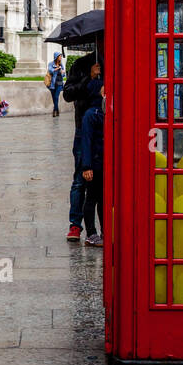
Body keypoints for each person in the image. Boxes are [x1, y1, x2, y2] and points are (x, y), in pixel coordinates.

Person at [64, 54, 102, 241]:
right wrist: (90, 77)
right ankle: (75, 225)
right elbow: (68, 94)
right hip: (84, 129)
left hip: (108, 130)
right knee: (80, 179)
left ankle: (104, 228)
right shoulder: (81, 64)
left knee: (102, 185)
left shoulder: (117, 59)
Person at [78, 82, 105, 247]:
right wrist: (86, 166)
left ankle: (104, 231)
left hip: (105, 163)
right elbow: (86, 142)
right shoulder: (90, 115)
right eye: (103, 89)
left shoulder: (105, 111)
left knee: (103, 199)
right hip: (93, 163)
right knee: (91, 199)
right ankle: (91, 233)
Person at [47, 53, 66, 117]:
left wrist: (62, 72)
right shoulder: (51, 64)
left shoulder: (61, 64)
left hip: (59, 83)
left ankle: (54, 110)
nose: (61, 57)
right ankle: (57, 110)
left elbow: (63, 75)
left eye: (61, 56)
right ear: (56, 57)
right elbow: (50, 70)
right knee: (54, 98)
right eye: (60, 56)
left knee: (56, 97)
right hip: (52, 83)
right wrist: (56, 69)